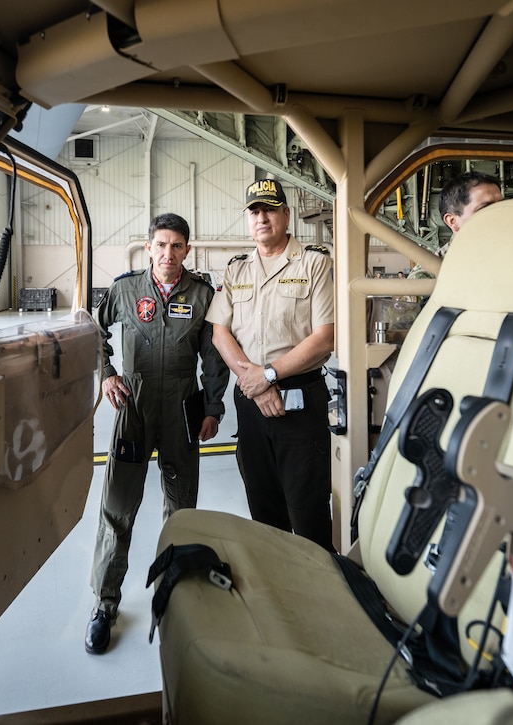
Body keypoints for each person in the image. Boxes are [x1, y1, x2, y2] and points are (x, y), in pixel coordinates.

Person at [86, 212, 229, 655]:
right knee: (117, 504)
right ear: (148, 247)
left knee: (181, 505)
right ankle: (105, 603)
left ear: (188, 249)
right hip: (135, 403)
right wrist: (107, 373)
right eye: (161, 245)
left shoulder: (202, 295)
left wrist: (212, 408)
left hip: (184, 405)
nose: (169, 254)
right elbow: (93, 328)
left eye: (177, 246)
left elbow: (215, 356)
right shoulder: (125, 290)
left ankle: (174, 593)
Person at [206, 179, 335, 551]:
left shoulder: (314, 262)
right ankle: (276, 596)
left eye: (270, 209)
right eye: (254, 211)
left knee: (307, 510)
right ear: (248, 220)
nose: (261, 217)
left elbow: (325, 336)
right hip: (250, 401)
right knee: (263, 509)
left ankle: (318, 596)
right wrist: (255, 381)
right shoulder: (237, 269)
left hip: (299, 399)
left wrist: (269, 375)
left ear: (286, 215)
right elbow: (220, 332)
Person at [408, 171, 504, 279]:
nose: (500, 214)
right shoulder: (428, 275)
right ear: (453, 222)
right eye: (485, 208)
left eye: (502, 206)